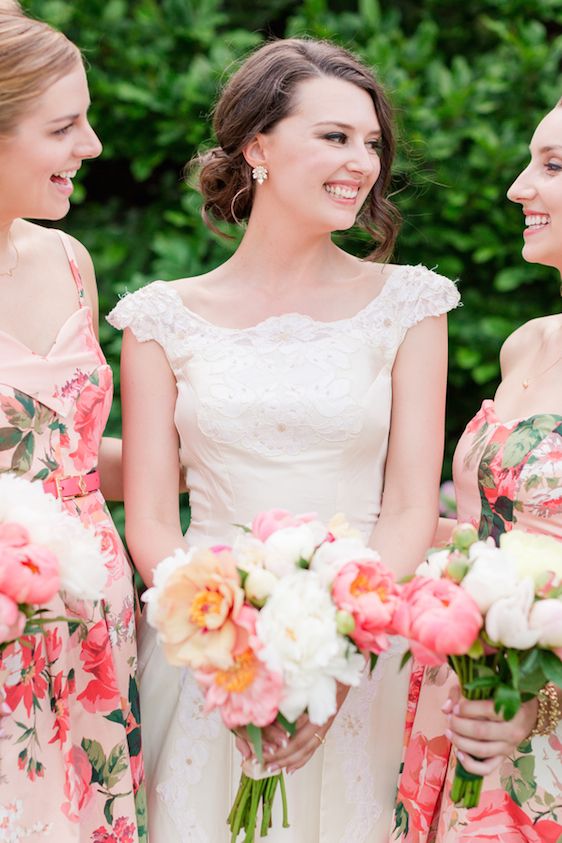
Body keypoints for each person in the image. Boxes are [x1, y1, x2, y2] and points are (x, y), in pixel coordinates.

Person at [108, 37, 459, 842]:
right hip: (206, 655)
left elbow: (409, 505)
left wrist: (337, 654)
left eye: (371, 142)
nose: (362, 162)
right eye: (335, 136)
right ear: (258, 146)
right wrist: (235, 657)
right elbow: (155, 520)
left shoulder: (411, 305)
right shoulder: (160, 318)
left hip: (364, 657)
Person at [392, 101, 562, 842]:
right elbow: (478, 529)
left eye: (553, 166)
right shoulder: (527, 345)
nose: (518, 188)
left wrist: (540, 700)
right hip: (459, 702)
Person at [0, 3, 146, 840]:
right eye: (64, 126)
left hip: (93, 636)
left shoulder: (68, 258)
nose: (90, 146)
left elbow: (74, 464)